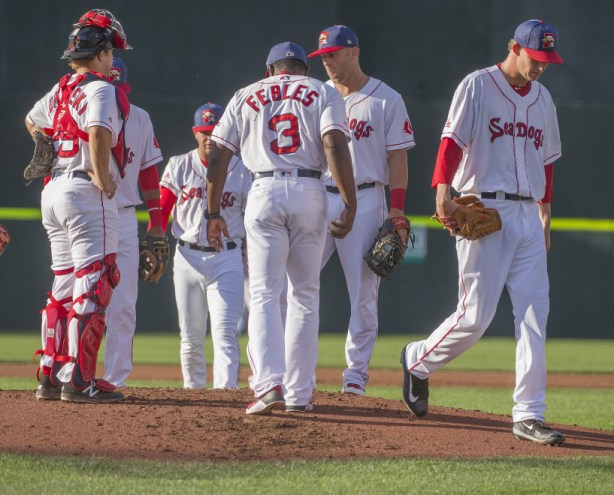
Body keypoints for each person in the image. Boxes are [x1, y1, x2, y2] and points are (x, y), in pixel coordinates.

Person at [401, 19, 565, 446]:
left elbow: (546, 161)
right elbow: (451, 141)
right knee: (475, 317)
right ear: (514, 47)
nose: (541, 67)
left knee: (535, 315)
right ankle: (418, 360)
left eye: (548, 60)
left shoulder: (543, 99)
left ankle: (529, 414)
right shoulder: (477, 85)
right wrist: (442, 191)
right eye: (536, 57)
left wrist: (546, 214)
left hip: (529, 214)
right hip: (484, 207)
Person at [206, 42, 357, 414]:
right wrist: (349, 200)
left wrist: (212, 212)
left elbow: (218, 153)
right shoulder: (322, 90)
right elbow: (334, 144)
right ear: (304, 67)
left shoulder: (247, 93)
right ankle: (300, 395)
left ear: (269, 69)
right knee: (305, 294)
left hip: (264, 190)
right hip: (310, 190)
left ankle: (268, 384)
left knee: (263, 294)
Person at [25, 9, 131, 403]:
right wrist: (103, 178)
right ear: (102, 53)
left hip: (53, 191)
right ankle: (81, 379)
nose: (113, 58)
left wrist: (43, 141)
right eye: (111, 50)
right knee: (95, 282)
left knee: (64, 286)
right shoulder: (101, 88)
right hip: (84, 191)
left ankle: (50, 373)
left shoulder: (62, 88)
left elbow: (31, 121)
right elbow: (99, 132)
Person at [308, 25, 415, 397]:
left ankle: (355, 376)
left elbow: (397, 159)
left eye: (332, 55)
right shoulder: (317, 96)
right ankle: (298, 370)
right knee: (299, 284)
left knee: (364, 292)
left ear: (353, 52)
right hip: (317, 195)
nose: (327, 63)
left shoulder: (386, 99)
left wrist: (397, 210)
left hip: (368, 197)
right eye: (322, 57)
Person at [160, 103, 250, 389]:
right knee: (191, 337)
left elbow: (251, 217)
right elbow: (162, 208)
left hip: (228, 257)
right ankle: (194, 398)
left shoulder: (243, 168)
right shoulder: (179, 164)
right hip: (187, 256)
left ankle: (225, 397)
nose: (210, 137)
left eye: (215, 131)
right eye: (204, 131)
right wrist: (156, 237)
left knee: (224, 335)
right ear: (195, 133)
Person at [102, 58, 165, 388]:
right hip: (90, 211)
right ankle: (69, 372)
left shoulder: (139, 118)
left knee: (124, 302)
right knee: (82, 296)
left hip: (125, 215)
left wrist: (156, 222)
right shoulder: (82, 112)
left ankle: (115, 379)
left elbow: (148, 171)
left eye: (118, 88)